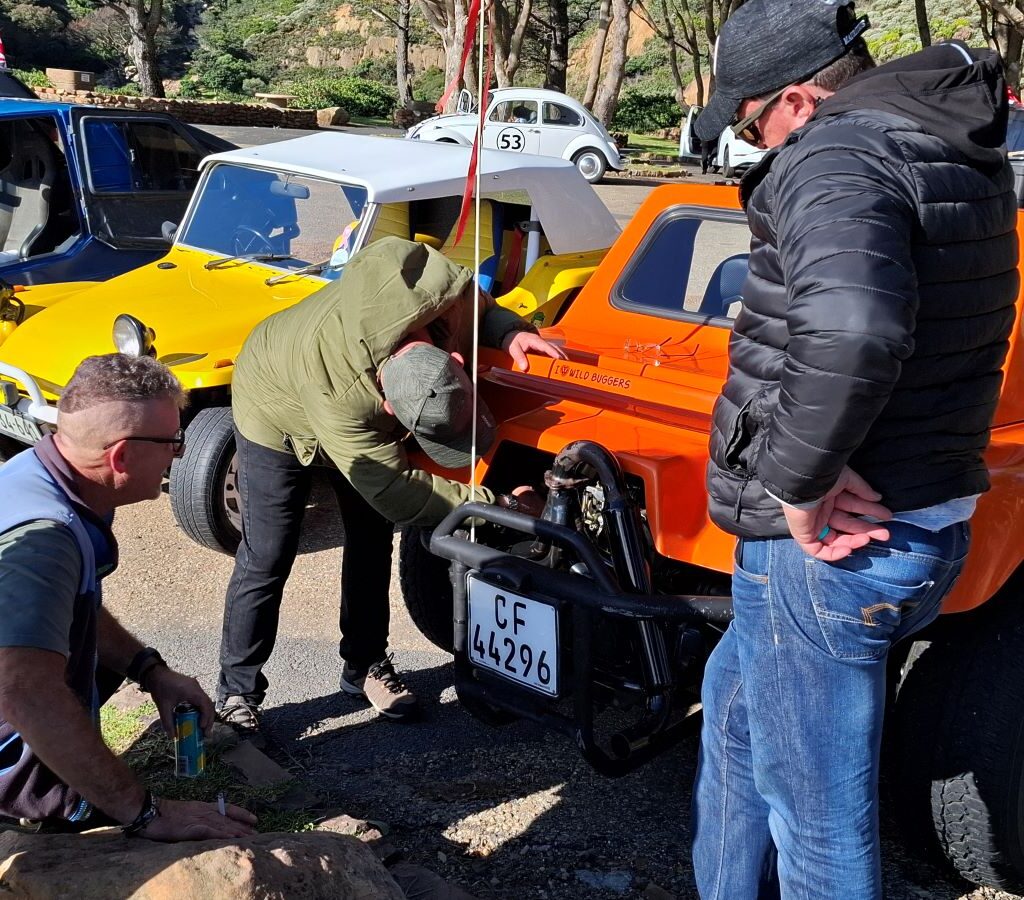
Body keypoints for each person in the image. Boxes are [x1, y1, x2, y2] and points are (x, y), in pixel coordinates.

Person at [690, 1, 1018, 896]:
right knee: (735, 719)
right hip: (918, 511)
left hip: (835, 541)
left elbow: (858, 328)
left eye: (754, 123)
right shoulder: (943, 142)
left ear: (797, 99)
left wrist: (802, 477)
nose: (755, 146)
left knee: (818, 822)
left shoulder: (836, 154)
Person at [217, 237, 563, 735]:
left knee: (371, 539)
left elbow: (481, 304)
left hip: (348, 384)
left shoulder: (443, 295)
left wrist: (508, 330)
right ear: (388, 409)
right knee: (269, 553)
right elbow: (398, 492)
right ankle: (237, 693)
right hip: (272, 398)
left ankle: (364, 666)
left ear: (455, 362)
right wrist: (500, 505)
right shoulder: (344, 402)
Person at [0, 353, 257, 840]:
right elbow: (25, 694)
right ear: (121, 457)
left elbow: (73, 607)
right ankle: (46, 812)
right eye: (172, 442)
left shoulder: (44, 474)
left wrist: (149, 670)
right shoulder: (47, 542)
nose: (179, 454)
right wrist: (145, 812)